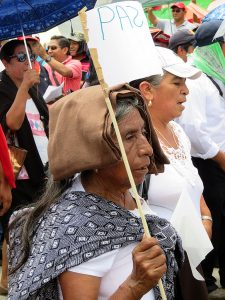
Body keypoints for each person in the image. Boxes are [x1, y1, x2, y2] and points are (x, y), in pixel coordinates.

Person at [8, 84, 184, 299]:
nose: (147, 148)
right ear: (92, 150)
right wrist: (135, 285)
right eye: (129, 137)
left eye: (144, 133)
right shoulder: (78, 226)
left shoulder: (127, 198)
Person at [130, 47, 213, 300]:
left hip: (188, 254)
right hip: (158, 266)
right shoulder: (137, 142)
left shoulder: (178, 132)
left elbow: (191, 185)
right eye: (176, 83)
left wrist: (206, 219)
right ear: (147, 90)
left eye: (185, 83)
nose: (185, 91)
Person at [176, 20, 225, 293]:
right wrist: (219, 157)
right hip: (207, 162)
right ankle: (205, 278)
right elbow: (194, 130)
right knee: (212, 221)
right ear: (214, 49)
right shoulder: (197, 79)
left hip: (217, 158)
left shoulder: (216, 75)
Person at [0, 39, 49, 295]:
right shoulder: (3, 87)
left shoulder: (33, 88)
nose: (28, 62)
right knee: (18, 221)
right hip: (17, 168)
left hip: (41, 164)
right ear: (6, 62)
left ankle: (14, 273)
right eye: (20, 57)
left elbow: (43, 121)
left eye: (30, 55)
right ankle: (13, 277)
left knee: (33, 218)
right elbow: (12, 123)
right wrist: (23, 90)